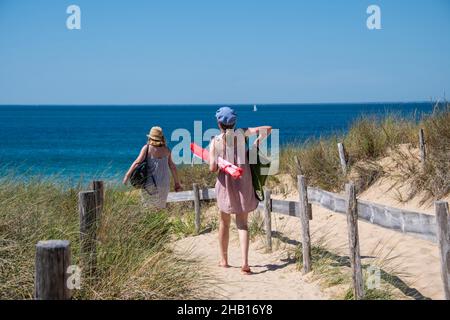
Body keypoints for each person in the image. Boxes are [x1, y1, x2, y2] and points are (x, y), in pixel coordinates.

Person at [209, 107, 272, 275]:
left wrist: (221, 162)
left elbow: (212, 168)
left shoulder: (215, 141)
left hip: (225, 185)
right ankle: (245, 263)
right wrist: (255, 144)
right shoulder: (242, 134)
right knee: (242, 224)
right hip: (244, 182)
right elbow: (268, 129)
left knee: (224, 222)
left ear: (219, 123)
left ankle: (224, 260)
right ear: (234, 122)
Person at [123, 126, 182, 208]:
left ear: (150, 138)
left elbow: (137, 163)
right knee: (160, 209)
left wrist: (127, 175)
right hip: (164, 184)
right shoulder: (167, 150)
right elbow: (173, 167)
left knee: (148, 209)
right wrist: (177, 183)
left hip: (150, 185)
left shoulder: (147, 149)